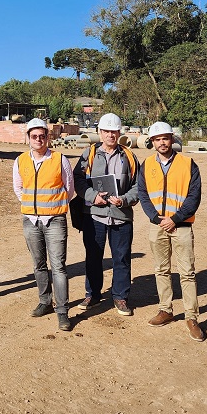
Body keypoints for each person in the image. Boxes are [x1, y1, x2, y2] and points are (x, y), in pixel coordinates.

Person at [137, 121, 205, 342]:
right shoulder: (146, 165)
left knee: (187, 272)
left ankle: (191, 317)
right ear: (152, 142)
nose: (162, 142)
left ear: (172, 139)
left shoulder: (188, 164)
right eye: (157, 139)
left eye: (165, 138)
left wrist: (175, 219)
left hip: (182, 226)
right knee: (161, 269)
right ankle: (165, 310)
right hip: (157, 226)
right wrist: (157, 219)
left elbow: (194, 197)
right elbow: (143, 194)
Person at [73, 113, 139, 316]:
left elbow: (139, 186)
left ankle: (120, 297)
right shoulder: (88, 154)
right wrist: (93, 196)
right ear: (100, 133)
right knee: (93, 256)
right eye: (107, 131)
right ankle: (92, 294)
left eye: (114, 131)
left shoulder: (129, 156)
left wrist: (124, 200)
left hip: (121, 215)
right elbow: (78, 180)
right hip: (95, 215)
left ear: (119, 133)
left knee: (121, 257)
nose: (111, 134)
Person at [13, 118, 75, 331]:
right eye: (34, 136)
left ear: (48, 138)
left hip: (55, 220)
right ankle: (45, 301)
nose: (38, 139)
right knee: (38, 264)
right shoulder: (20, 160)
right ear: (28, 138)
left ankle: (63, 311)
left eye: (42, 136)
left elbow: (69, 189)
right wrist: (32, 206)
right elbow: (18, 188)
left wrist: (53, 207)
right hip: (31, 220)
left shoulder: (60, 159)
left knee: (58, 267)